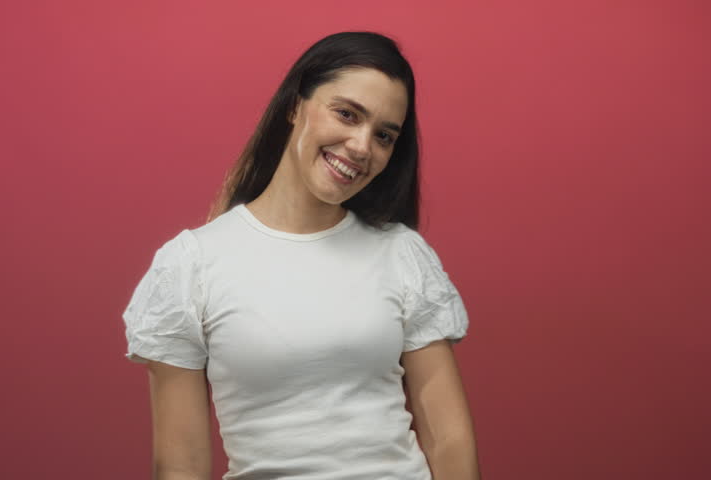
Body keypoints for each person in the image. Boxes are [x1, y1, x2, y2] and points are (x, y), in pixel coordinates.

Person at [122, 31, 481, 480]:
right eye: (347, 114)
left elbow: (449, 441)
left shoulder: (401, 254)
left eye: (384, 135)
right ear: (295, 105)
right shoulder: (190, 265)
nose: (361, 147)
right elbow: (181, 466)